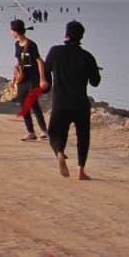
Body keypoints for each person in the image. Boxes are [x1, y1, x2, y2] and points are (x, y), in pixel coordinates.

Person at [44, 20, 101, 180]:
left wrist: (45, 84)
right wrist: (93, 69)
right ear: (82, 36)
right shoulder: (87, 56)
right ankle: (81, 171)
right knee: (83, 136)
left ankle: (60, 152)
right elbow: (95, 82)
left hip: (60, 102)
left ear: (66, 35)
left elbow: (46, 72)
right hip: (80, 103)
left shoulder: (55, 52)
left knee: (55, 133)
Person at [10, 19, 48, 141]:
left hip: (32, 79)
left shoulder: (31, 44)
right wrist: (13, 79)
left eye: (12, 30)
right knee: (24, 106)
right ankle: (31, 132)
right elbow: (18, 63)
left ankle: (44, 131)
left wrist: (42, 79)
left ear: (16, 31)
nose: (11, 33)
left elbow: (39, 61)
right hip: (22, 80)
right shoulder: (16, 45)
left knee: (33, 104)